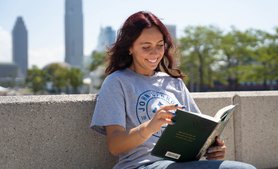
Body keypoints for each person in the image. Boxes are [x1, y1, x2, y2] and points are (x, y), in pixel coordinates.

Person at [90, 11, 256, 169]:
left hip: (180, 163)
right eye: (146, 47)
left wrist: (213, 148)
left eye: (160, 45)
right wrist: (149, 128)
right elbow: (115, 145)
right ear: (130, 47)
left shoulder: (174, 83)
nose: (154, 53)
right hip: (141, 165)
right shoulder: (116, 82)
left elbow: (196, 133)